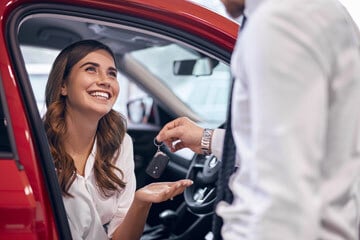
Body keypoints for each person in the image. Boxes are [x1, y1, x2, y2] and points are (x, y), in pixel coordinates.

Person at [156, 0, 360, 239]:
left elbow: (281, 201)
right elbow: (291, 149)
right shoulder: (320, 12)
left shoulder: (279, 23)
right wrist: (207, 139)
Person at [43, 39, 193, 240]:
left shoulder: (120, 144)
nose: (105, 80)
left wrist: (141, 201)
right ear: (63, 85)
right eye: (91, 69)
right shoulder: (36, 143)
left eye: (112, 73)